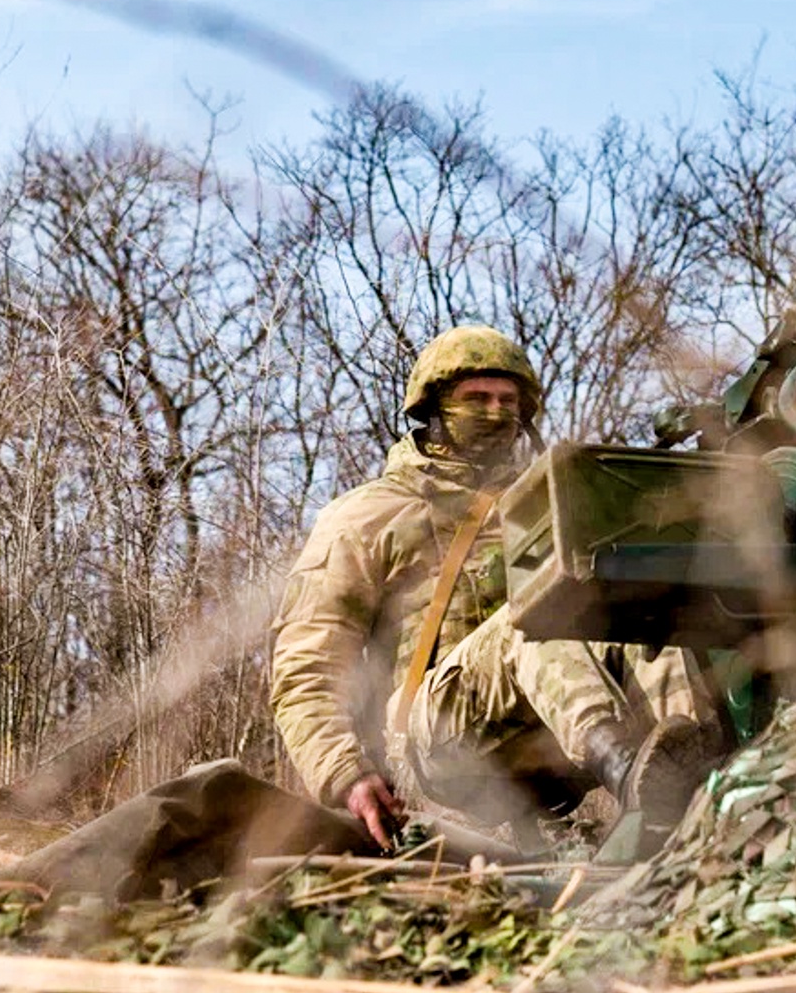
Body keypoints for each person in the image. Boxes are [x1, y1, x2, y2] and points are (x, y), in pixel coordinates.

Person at [269, 326, 723, 852]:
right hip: (433, 747)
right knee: (538, 613)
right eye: (475, 399)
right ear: (435, 409)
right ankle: (632, 776)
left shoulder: (544, 504)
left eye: (508, 401)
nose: (495, 412)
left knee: (638, 611)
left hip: (546, 747)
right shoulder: (364, 518)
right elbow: (306, 669)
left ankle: (701, 793)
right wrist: (346, 774)